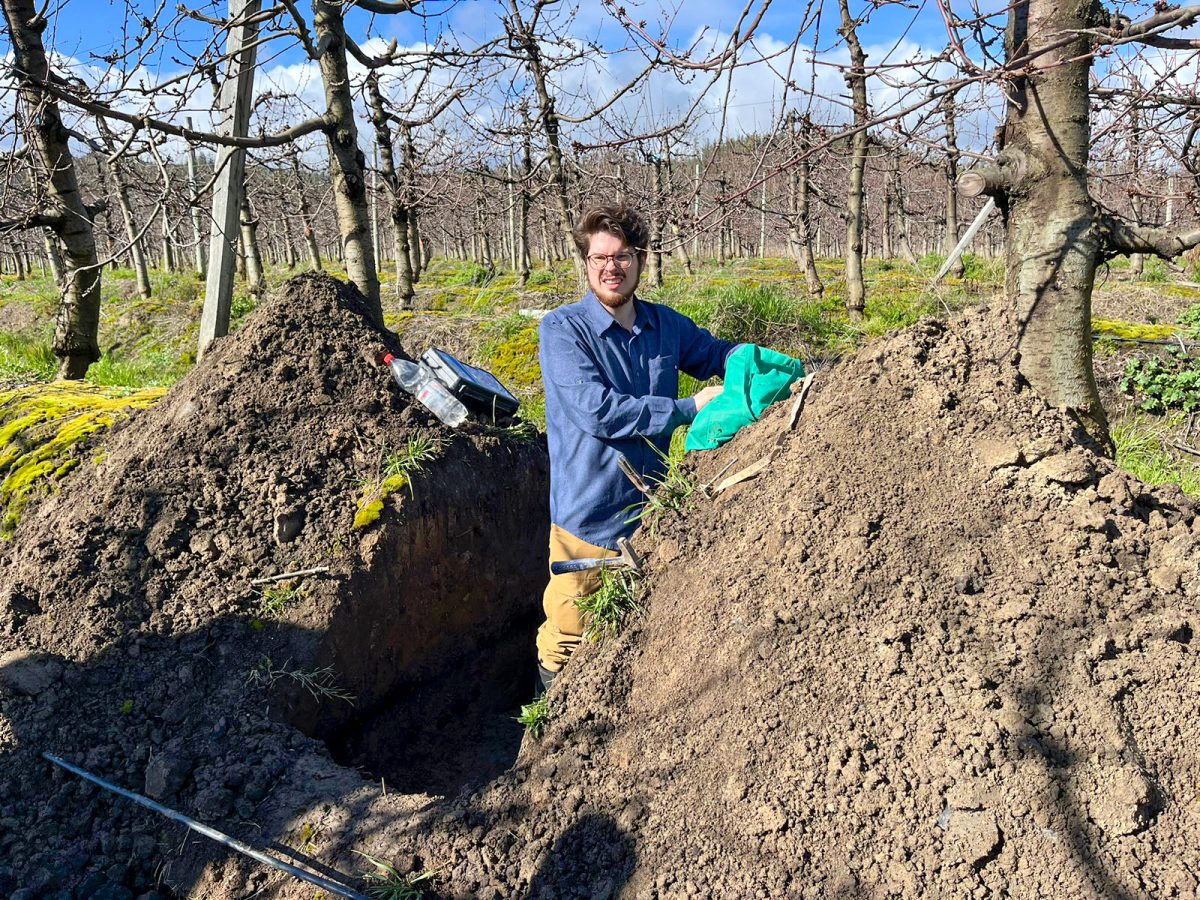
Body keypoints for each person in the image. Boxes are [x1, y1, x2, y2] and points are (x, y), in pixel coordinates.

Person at [535, 204, 739, 689]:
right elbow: (598, 411)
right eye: (601, 256)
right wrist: (687, 408)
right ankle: (541, 742)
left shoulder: (664, 325)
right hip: (588, 522)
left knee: (635, 638)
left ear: (641, 261)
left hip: (652, 515)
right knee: (567, 638)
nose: (612, 267)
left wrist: (752, 363)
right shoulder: (562, 331)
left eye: (623, 256)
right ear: (586, 263)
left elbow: (713, 354)